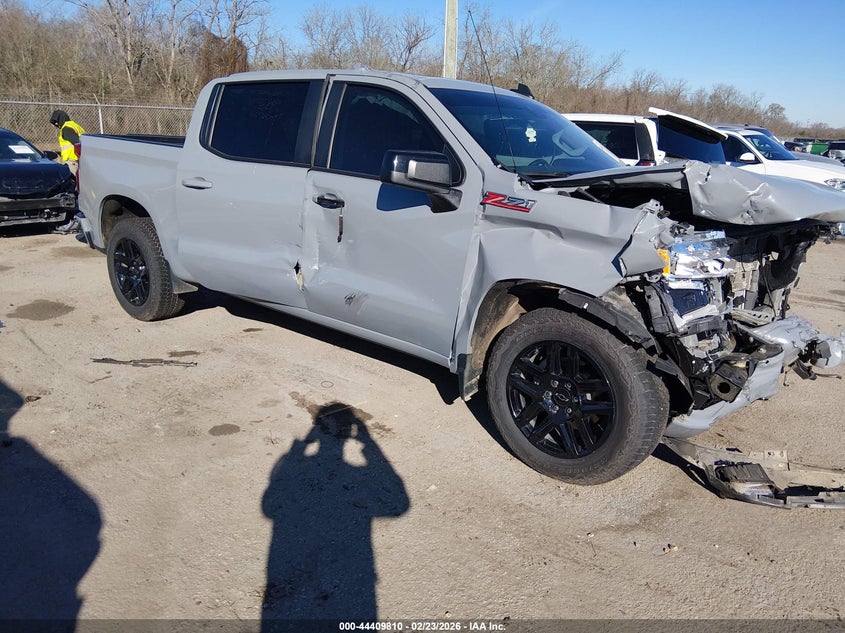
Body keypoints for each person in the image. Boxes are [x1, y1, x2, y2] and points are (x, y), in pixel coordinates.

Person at [49, 110, 84, 234]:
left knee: (71, 191)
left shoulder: (66, 128)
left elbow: (76, 143)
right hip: (79, 160)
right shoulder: (75, 125)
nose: (56, 124)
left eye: (56, 121)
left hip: (72, 162)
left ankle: (75, 219)